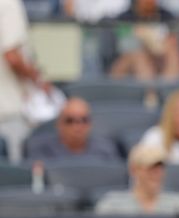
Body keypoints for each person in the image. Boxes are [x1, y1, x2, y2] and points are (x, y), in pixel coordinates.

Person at [0, 0, 47, 163]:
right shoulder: (8, 4)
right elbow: (12, 56)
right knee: (13, 177)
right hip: (8, 113)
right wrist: (37, 80)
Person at [94, 143, 179, 215]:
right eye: (150, 167)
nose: (156, 173)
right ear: (133, 170)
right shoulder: (112, 204)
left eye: (160, 167)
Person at [109, 0, 179, 81]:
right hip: (129, 61)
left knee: (174, 54)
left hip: (160, 56)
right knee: (138, 55)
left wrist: (155, 45)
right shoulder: (124, 18)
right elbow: (125, 46)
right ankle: (150, 91)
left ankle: (168, 88)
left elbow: (172, 40)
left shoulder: (166, 16)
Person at [26, 97, 120, 162]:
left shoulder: (105, 150)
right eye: (70, 121)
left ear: (90, 124)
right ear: (59, 124)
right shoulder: (41, 150)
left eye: (84, 120)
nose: (77, 126)